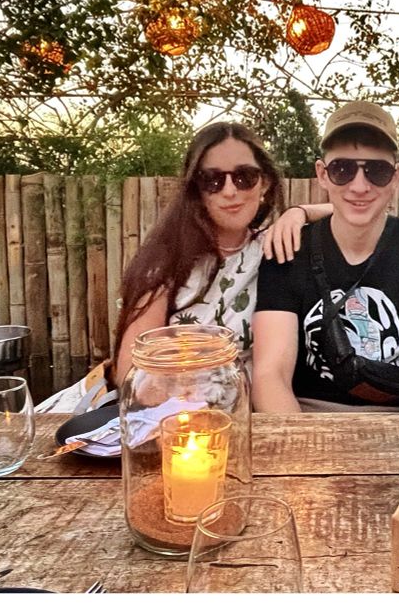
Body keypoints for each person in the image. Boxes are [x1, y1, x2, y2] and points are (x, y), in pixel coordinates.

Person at [36, 121, 285, 413]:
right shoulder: (170, 259)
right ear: (197, 191)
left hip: (231, 421)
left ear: (264, 183)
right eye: (212, 180)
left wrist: (302, 212)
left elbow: (346, 218)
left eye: (244, 176)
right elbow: (131, 373)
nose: (230, 191)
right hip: (156, 419)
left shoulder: (275, 248)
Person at [251, 101, 399, 413]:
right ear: (322, 174)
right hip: (308, 417)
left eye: (377, 171)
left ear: (397, 177)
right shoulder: (288, 253)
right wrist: (303, 450)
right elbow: (270, 375)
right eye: (342, 170)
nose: (359, 186)